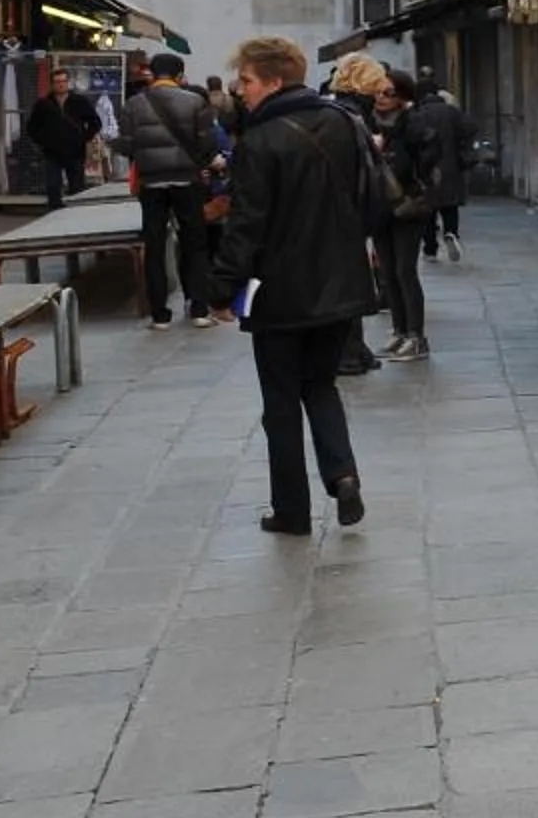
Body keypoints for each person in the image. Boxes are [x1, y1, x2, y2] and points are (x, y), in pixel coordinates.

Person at [207, 35, 371, 536]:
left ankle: (291, 510)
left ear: (275, 81)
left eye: (247, 81)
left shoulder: (259, 141)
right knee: (320, 384)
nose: (240, 90)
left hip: (278, 291)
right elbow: (368, 197)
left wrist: (221, 289)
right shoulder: (344, 123)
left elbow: (246, 226)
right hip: (340, 282)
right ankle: (342, 474)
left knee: (280, 401)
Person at [121, 52, 225, 331]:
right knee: (195, 243)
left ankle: (159, 314)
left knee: (154, 245)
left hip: (151, 182)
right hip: (187, 181)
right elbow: (207, 144)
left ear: (152, 75)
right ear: (180, 75)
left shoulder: (133, 104)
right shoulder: (195, 102)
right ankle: (199, 308)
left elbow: (127, 145)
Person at [325, 55, 395, 373]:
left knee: (351, 280)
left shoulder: (342, 111)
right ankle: (348, 352)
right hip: (345, 211)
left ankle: (354, 348)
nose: (381, 93)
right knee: (349, 283)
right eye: (377, 86)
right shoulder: (349, 115)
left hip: (342, 210)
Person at [370, 70, 435, 360]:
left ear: (403, 96)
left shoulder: (414, 124)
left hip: (409, 205)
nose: (381, 97)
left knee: (405, 270)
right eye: (378, 91)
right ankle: (399, 331)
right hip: (381, 205)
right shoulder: (373, 122)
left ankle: (416, 336)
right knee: (387, 272)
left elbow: (426, 164)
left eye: (389, 93)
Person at [409, 71, 470, 264]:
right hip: (451, 165)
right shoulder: (452, 112)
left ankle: (430, 249)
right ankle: (451, 233)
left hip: (426, 167)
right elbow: (469, 128)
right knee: (450, 206)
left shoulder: (417, 114)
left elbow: (411, 140)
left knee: (428, 210)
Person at [24, 68, 102, 211]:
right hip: (52, 152)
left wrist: (83, 137)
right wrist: (44, 141)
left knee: (77, 187)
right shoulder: (44, 104)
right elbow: (32, 127)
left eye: (63, 81)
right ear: (52, 84)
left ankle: (75, 214)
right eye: (57, 82)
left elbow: (95, 122)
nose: (60, 84)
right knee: (53, 185)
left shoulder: (79, 101)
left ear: (68, 83)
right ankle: (54, 212)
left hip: (75, 152)